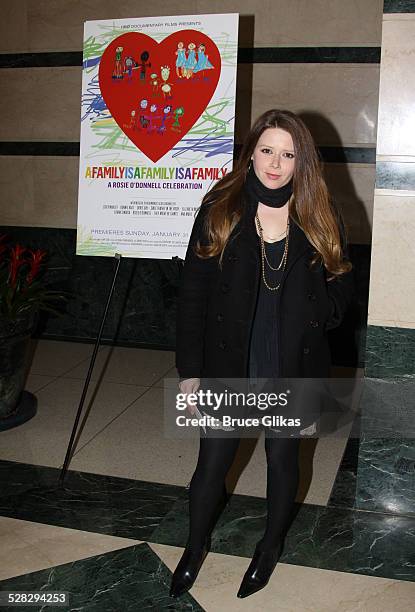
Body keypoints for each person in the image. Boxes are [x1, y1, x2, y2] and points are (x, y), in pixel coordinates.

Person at [170, 109, 355, 599]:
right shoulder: (221, 207)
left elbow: (340, 291)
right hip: (232, 356)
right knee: (212, 461)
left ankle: (270, 546)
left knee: (282, 458)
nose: (276, 163)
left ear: (302, 161)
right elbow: (192, 293)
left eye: (288, 154)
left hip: (293, 360)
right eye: (267, 150)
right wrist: (189, 373)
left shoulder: (318, 211)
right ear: (251, 151)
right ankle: (194, 545)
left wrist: (308, 287)